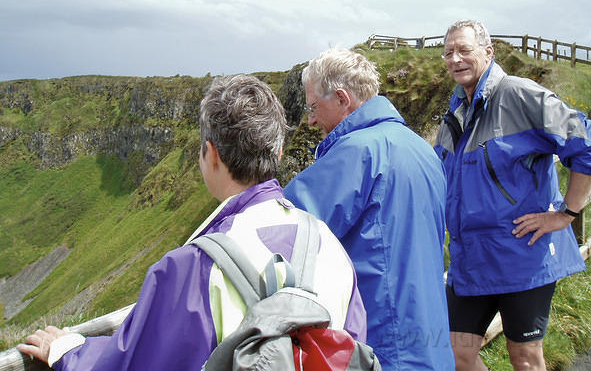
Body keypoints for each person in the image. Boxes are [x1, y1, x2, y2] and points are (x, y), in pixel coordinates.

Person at [18, 74, 366, 370]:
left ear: (210, 154)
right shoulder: (329, 246)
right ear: (277, 152)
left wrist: (67, 350)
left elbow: (132, 361)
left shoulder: (192, 269)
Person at [434, 19, 591, 371]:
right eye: (449, 52)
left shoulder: (518, 94)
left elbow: (590, 145)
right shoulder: (455, 111)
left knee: (526, 359)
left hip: (522, 256)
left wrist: (566, 214)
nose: (455, 58)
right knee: (455, 354)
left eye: (464, 50)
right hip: (470, 260)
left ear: (488, 52)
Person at [283, 49, 455, 371]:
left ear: (341, 98)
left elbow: (284, 227)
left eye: (313, 106)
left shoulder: (357, 153)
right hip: (430, 340)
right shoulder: (422, 150)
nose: (310, 119)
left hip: (382, 345)